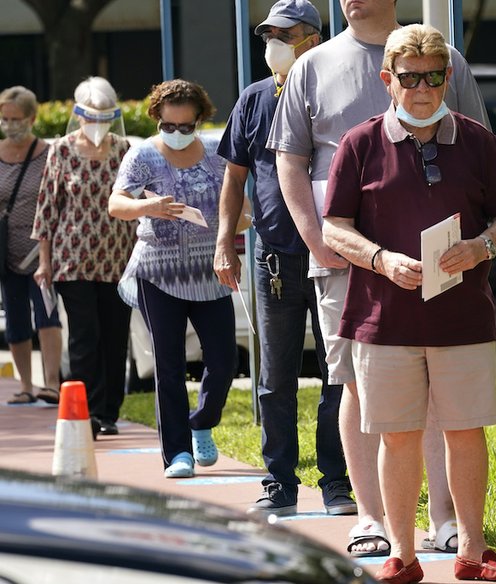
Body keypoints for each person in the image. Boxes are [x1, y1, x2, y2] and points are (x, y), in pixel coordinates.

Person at [267, 0, 488, 554]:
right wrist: (319, 238)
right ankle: (371, 518)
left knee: (439, 390)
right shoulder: (311, 65)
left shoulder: (442, 57)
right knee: (355, 385)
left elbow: (476, 151)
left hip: (437, 262)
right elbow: (290, 159)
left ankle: (445, 519)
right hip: (344, 259)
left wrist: (477, 244)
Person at [321, 23, 496, 584]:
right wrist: (381, 259)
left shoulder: (477, 140)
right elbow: (335, 226)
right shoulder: (360, 143)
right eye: (409, 77)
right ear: (388, 80)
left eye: (433, 76)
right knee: (398, 436)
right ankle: (403, 555)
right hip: (384, 320)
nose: (422, 88)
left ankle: (473, 553)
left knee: (465, 431)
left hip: (463, 318)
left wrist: (481, 245)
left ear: (447, 77)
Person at [214, 0, 355, 517]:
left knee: (338, 375)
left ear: (312, 39)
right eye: (268, 34)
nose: (273, 42)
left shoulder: (333, 93)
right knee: (274, 378)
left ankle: (336, 481)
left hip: (337, 255)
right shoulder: (252, 100)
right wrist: (224, 241)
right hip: (274, 258)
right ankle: (280, 483)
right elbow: (233, 179)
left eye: (285, 33)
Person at [108, 80, 235, 479]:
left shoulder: (217, 153)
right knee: (168, 364)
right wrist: (149, 205)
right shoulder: (143, 154)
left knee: (225, 360)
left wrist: (235, 229)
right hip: (157, 272)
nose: (177, 134)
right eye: (169, 126)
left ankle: (202, 420)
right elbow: (116, 203)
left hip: (210, 269)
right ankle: (177, 453)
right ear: (157, 119)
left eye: (185, 127)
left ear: (199, 120)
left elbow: (240, 206)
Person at [33, 76, 136, 435]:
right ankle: (88, 409)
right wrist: (44, 262)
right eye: (91, 116)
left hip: (117, 259)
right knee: (84, 335)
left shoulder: (124, 149)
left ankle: (109, 411)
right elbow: (47, 208)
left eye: (105, 116)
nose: (97, 123)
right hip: (71, 259)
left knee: (114, 335)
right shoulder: (60, 150)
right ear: (78, 115)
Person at [0, 86, 62, 406]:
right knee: (16, 318)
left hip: (42, 250)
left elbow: (60, 198)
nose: (10, 124)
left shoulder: (50, 153)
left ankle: (51, 383)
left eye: (16, 118)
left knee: (47, 315)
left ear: (32, 118)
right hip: (6, 251)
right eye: (4, 118)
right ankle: (25, 385)